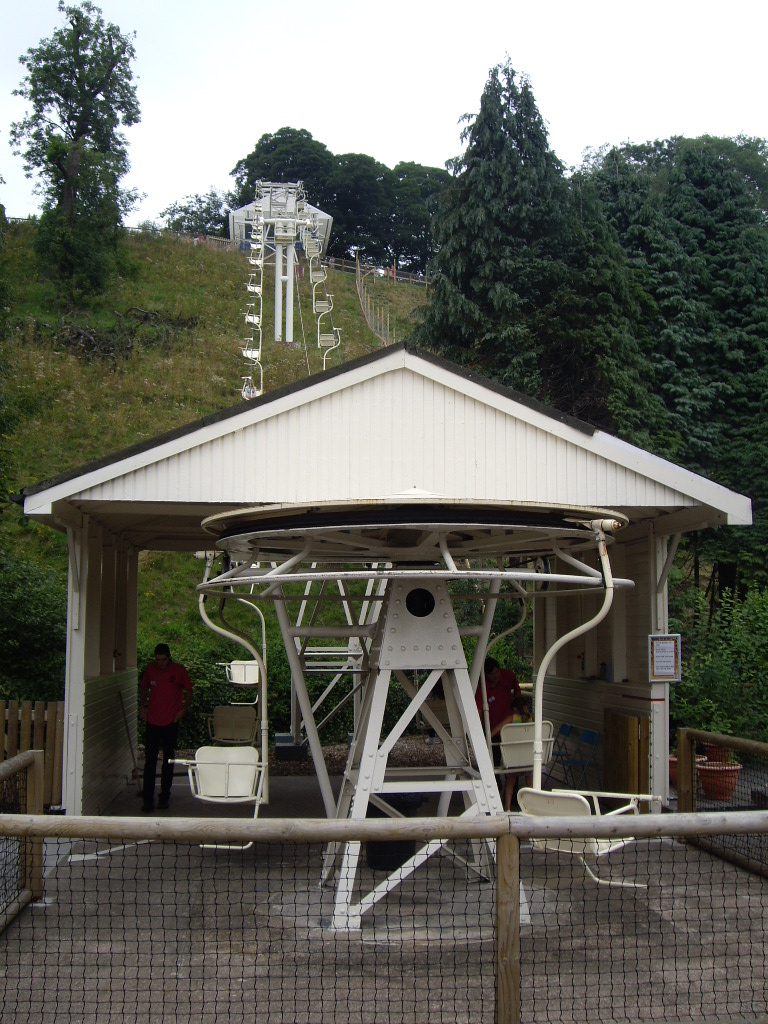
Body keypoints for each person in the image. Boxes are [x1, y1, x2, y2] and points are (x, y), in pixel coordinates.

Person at [139, 643, 192, 812]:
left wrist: (183, 710)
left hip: (170, 721)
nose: (161, 663)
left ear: (169, 657)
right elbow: (144, 688)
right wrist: (142, 706)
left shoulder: (179, 670)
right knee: (150, 760)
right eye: (158, 660)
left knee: (168, 760)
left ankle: (164, 796)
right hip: (153, 721)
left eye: (163, 660)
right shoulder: (151, 669)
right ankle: (148, 799)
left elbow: (189, 690)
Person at [476, 657, 524, 811]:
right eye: (492, 674)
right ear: (486, 675)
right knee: (494, 761)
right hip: (493, 729)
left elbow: (517, 688)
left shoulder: (508, 675)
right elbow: (478, 711)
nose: (497, 676)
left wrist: (518, 704)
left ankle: (514, 796)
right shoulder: (481, 688)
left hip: (511, 728)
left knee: (514, 763)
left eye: (497, 672)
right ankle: (496, 791)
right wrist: (479, 732)